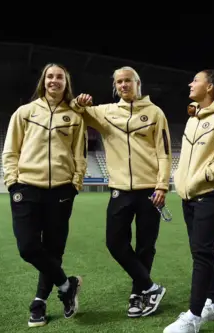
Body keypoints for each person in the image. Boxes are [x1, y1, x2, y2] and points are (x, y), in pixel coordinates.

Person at [71, 66, 170, 318]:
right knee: (115, 243)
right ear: (115, 87)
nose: (124, 85)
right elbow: (77, 112)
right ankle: (151, 287)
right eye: (119, 82)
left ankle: (138, 295)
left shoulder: (155, 113)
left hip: (150, 190)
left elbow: (164, 151)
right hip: (119, 190)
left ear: (138, 83)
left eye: (128, 81)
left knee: (146, 246)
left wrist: (162, 185)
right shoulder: (106, 112)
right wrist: (79, 102)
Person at [2, 63, 87, 328]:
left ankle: (39, 302)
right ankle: (66, 285)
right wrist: (12, 182)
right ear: (43, 81)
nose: (54, 80)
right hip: (26, 187)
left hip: (62, 190)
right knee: (28, 247)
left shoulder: (74, 116)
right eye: (50, 76)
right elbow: (10, 150)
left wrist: (75, 184)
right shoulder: (24, 112)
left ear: (66, 82)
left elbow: (79, 154)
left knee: (54, 250)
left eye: (59, 77)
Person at [163, 69, 214, 333]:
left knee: (201, 254)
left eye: (196, 80)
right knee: (203, 251)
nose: (190, 84)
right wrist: (182, 181)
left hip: (209, 194)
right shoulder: (193, 117)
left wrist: (200, 178)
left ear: (210, 87)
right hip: (189, 195)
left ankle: (193, 317)